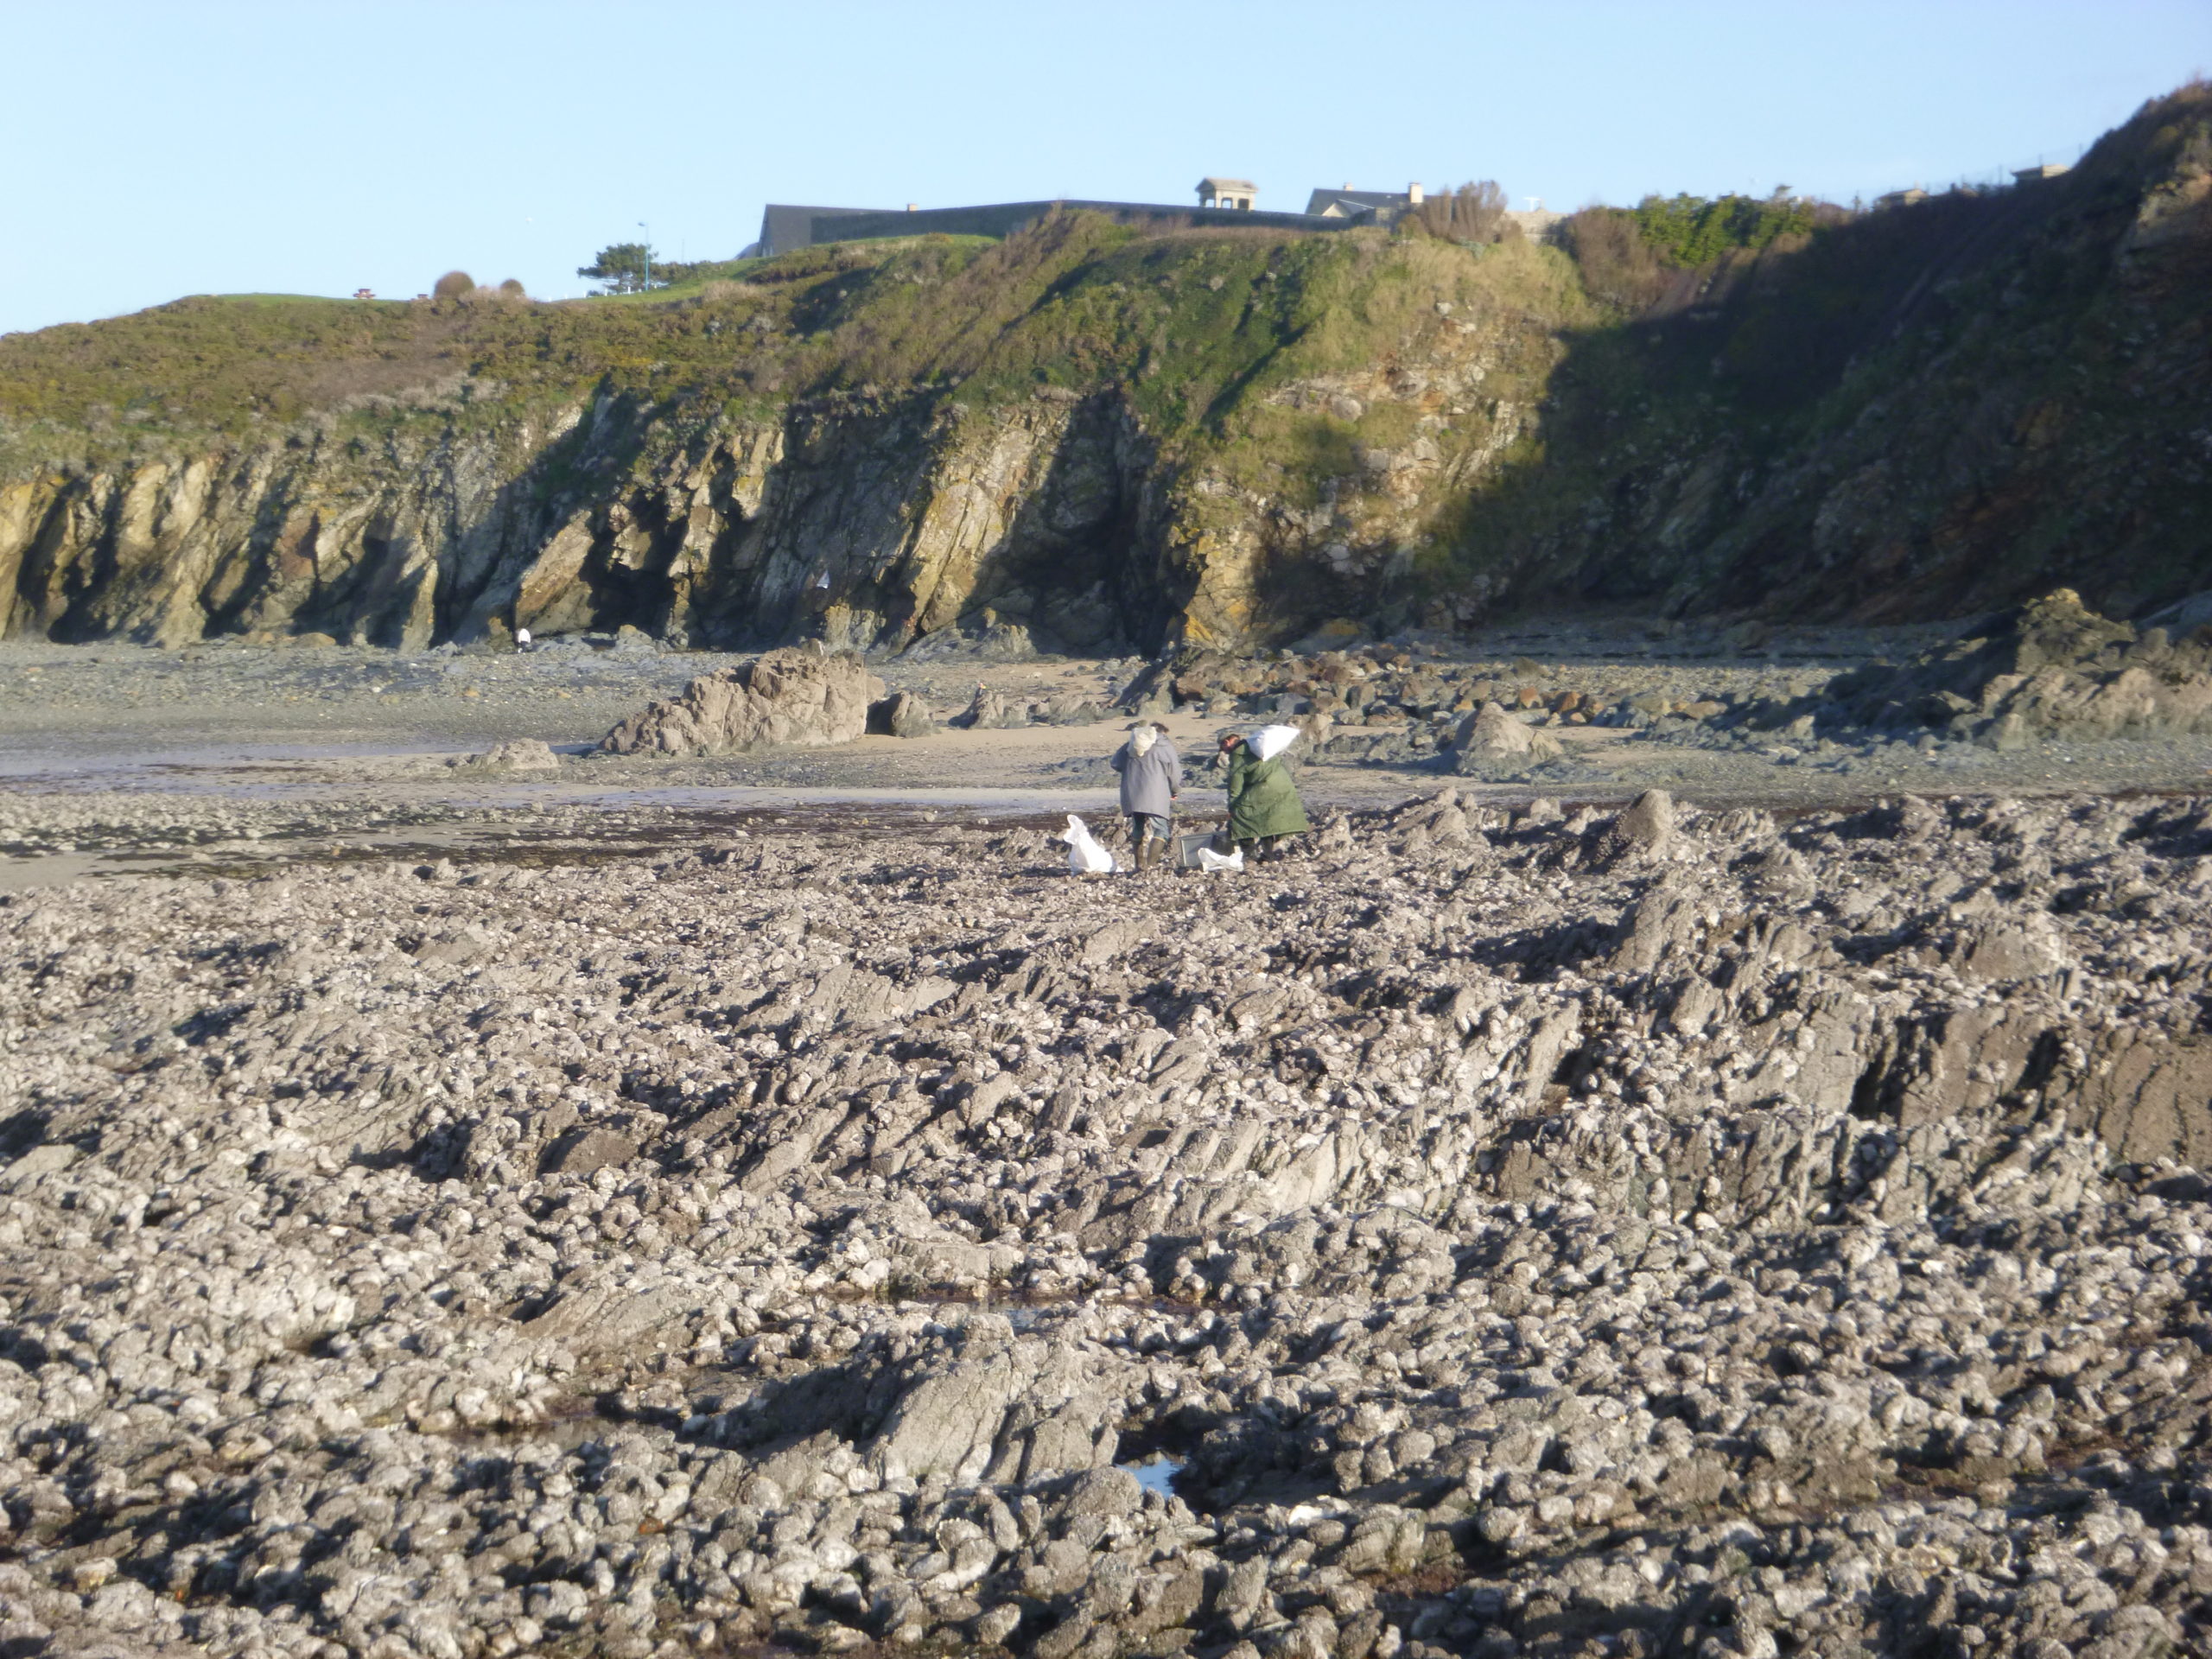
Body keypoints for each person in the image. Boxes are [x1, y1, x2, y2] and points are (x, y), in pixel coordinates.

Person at [1221, 730, 1310, 861]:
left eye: (1222, 748)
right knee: (1266, 820)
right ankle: (1268, 855)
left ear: (1226, 742)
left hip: (1264, 786)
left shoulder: (1238, 754)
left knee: (1240, 815)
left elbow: (1236, 784)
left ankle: (1249, 855)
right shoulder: (1257, 747)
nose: (1223, 751)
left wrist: (1232, 806)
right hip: (1282, 785)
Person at [1109, 721, 1180, 872]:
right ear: (1162, 733)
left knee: (1138, 828)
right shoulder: (1164, 746)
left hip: (1132, 793)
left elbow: (1115, 763)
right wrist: (1175, 790)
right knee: (1161, 830)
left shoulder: (1132, 744)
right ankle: (1151, 865)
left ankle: (1139, 865)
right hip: (1156, 794)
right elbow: (1174, 772)